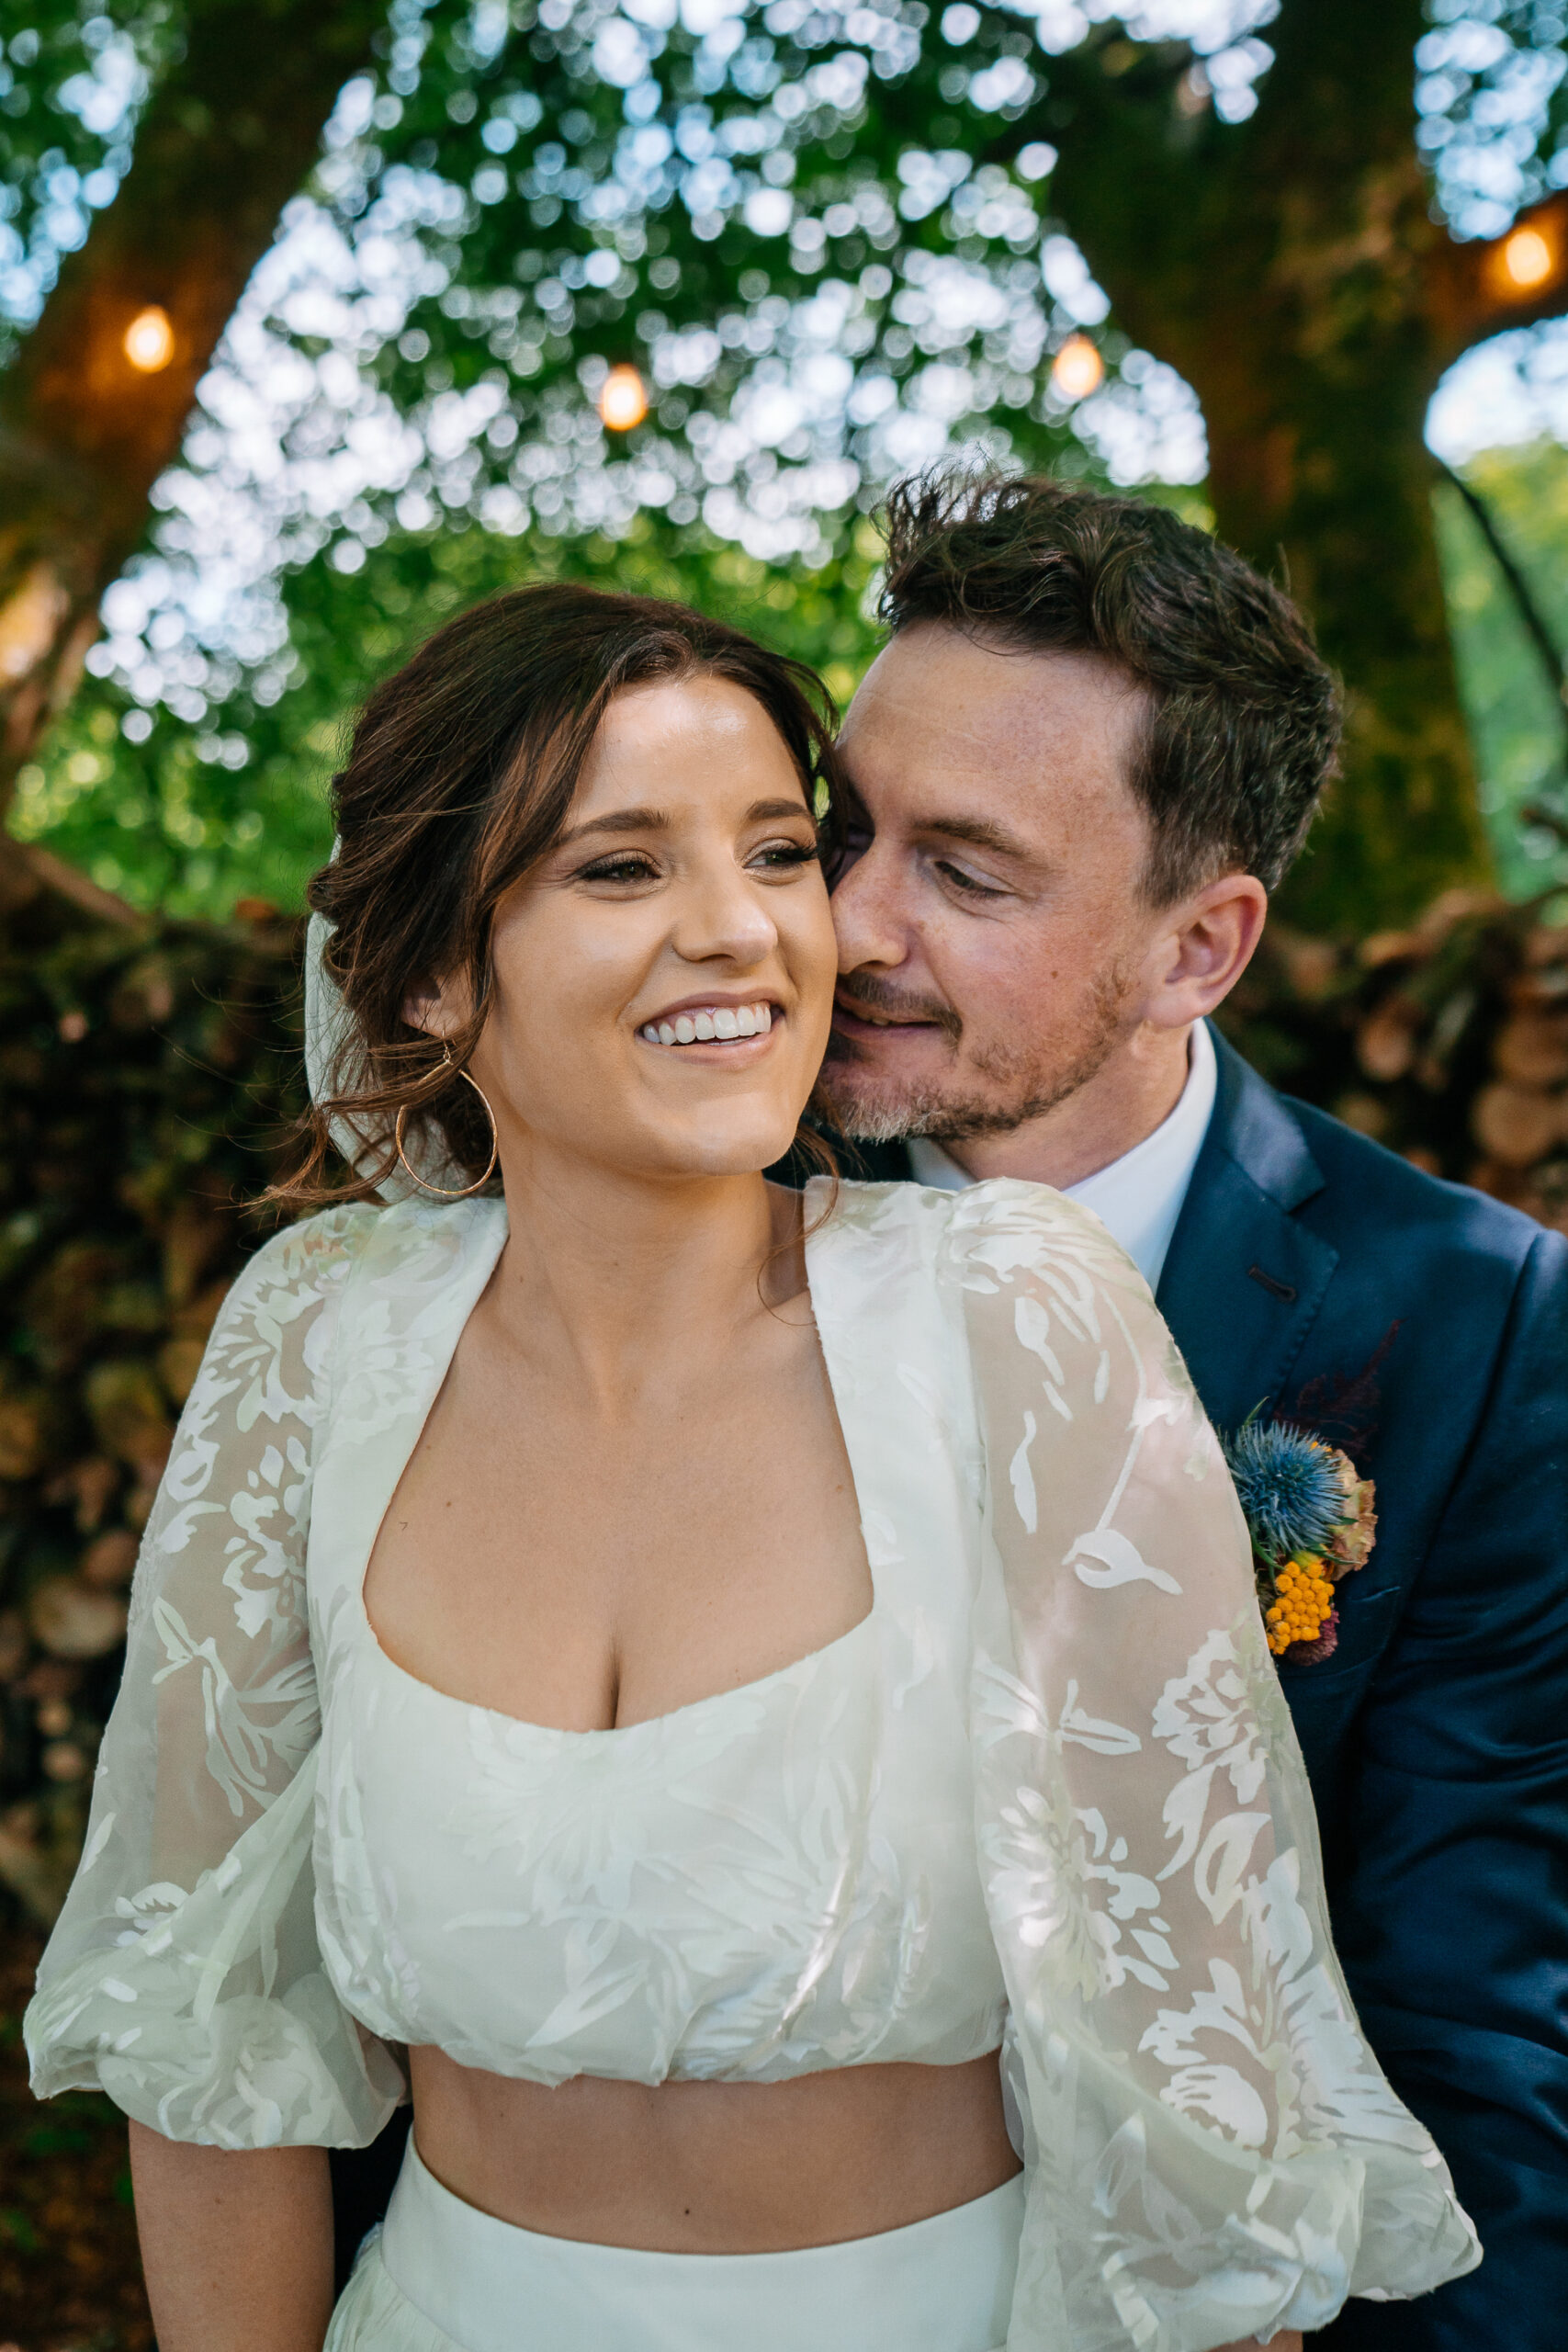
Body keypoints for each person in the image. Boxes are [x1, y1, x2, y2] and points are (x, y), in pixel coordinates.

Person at [25, 583, 1475, 2352]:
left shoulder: (1016, 1318)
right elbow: (211, 2029)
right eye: (620, 869)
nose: (743, 932)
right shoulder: (319, 1338)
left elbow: (1203, 2112)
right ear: (423, 968)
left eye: (778, 852)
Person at [812, 471, 1568, 2352]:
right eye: (834, 830)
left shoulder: (1468, 1325)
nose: (841, 923)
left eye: (963, 874)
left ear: (1196, 948)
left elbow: (1473, 2011)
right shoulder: (663, 1227)